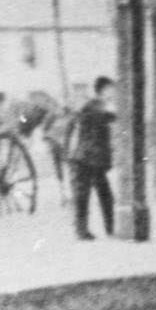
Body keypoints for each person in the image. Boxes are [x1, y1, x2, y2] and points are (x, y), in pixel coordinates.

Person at [65, 76, 116, 240]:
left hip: (90, 159)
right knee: (86, 197)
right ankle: (84, 231)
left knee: (101, 195)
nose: (113, 93)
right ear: (103, 90)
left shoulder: (96, 106)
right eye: (110, 89)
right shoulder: (95, 106)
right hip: (86, 159)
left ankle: (108, 228)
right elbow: (105, 116)